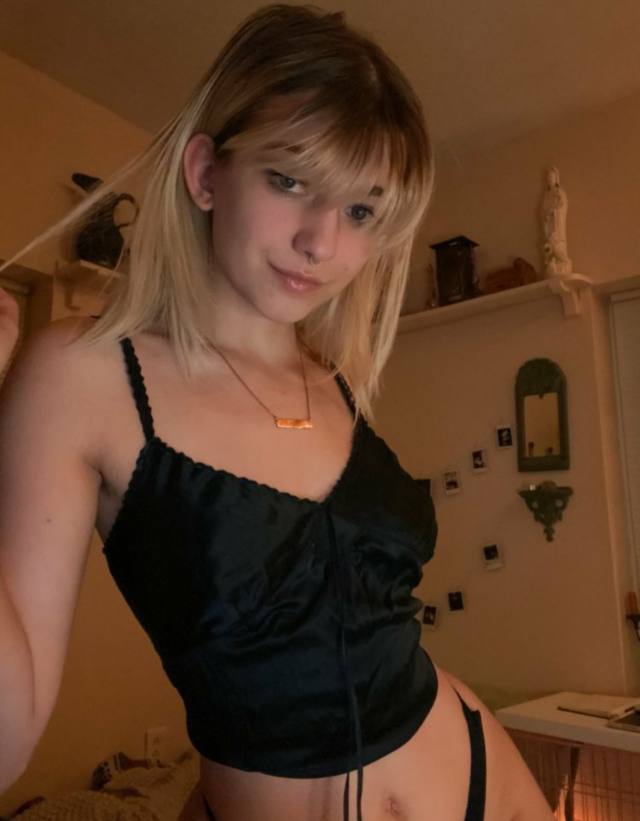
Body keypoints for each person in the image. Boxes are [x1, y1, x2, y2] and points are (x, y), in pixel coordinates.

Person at [0, 5, 552, 820]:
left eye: (360, 211)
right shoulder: (83, 374)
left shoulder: (337, 383)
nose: (321, 242)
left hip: (480, 779)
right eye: (290, 181)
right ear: (205, 173)